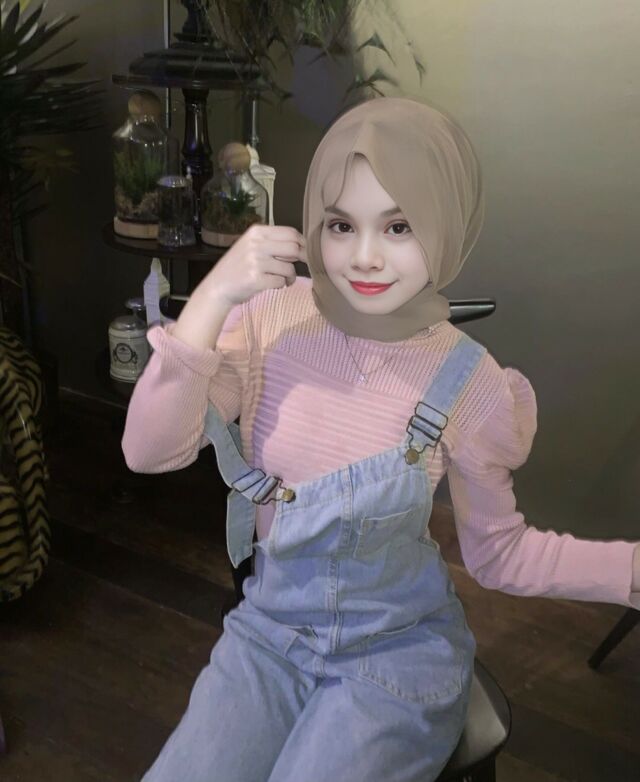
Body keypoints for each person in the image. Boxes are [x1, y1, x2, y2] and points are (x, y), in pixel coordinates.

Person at [122, 96, 640, 782]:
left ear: (446, 225)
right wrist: (214, 296)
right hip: (269, 635)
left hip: (396, 658)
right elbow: (148, 451)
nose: (364, 257)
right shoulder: (270, 321)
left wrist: (629, 572)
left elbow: (499, 554)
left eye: (399, 226)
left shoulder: (472, 382)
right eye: (341, 225)